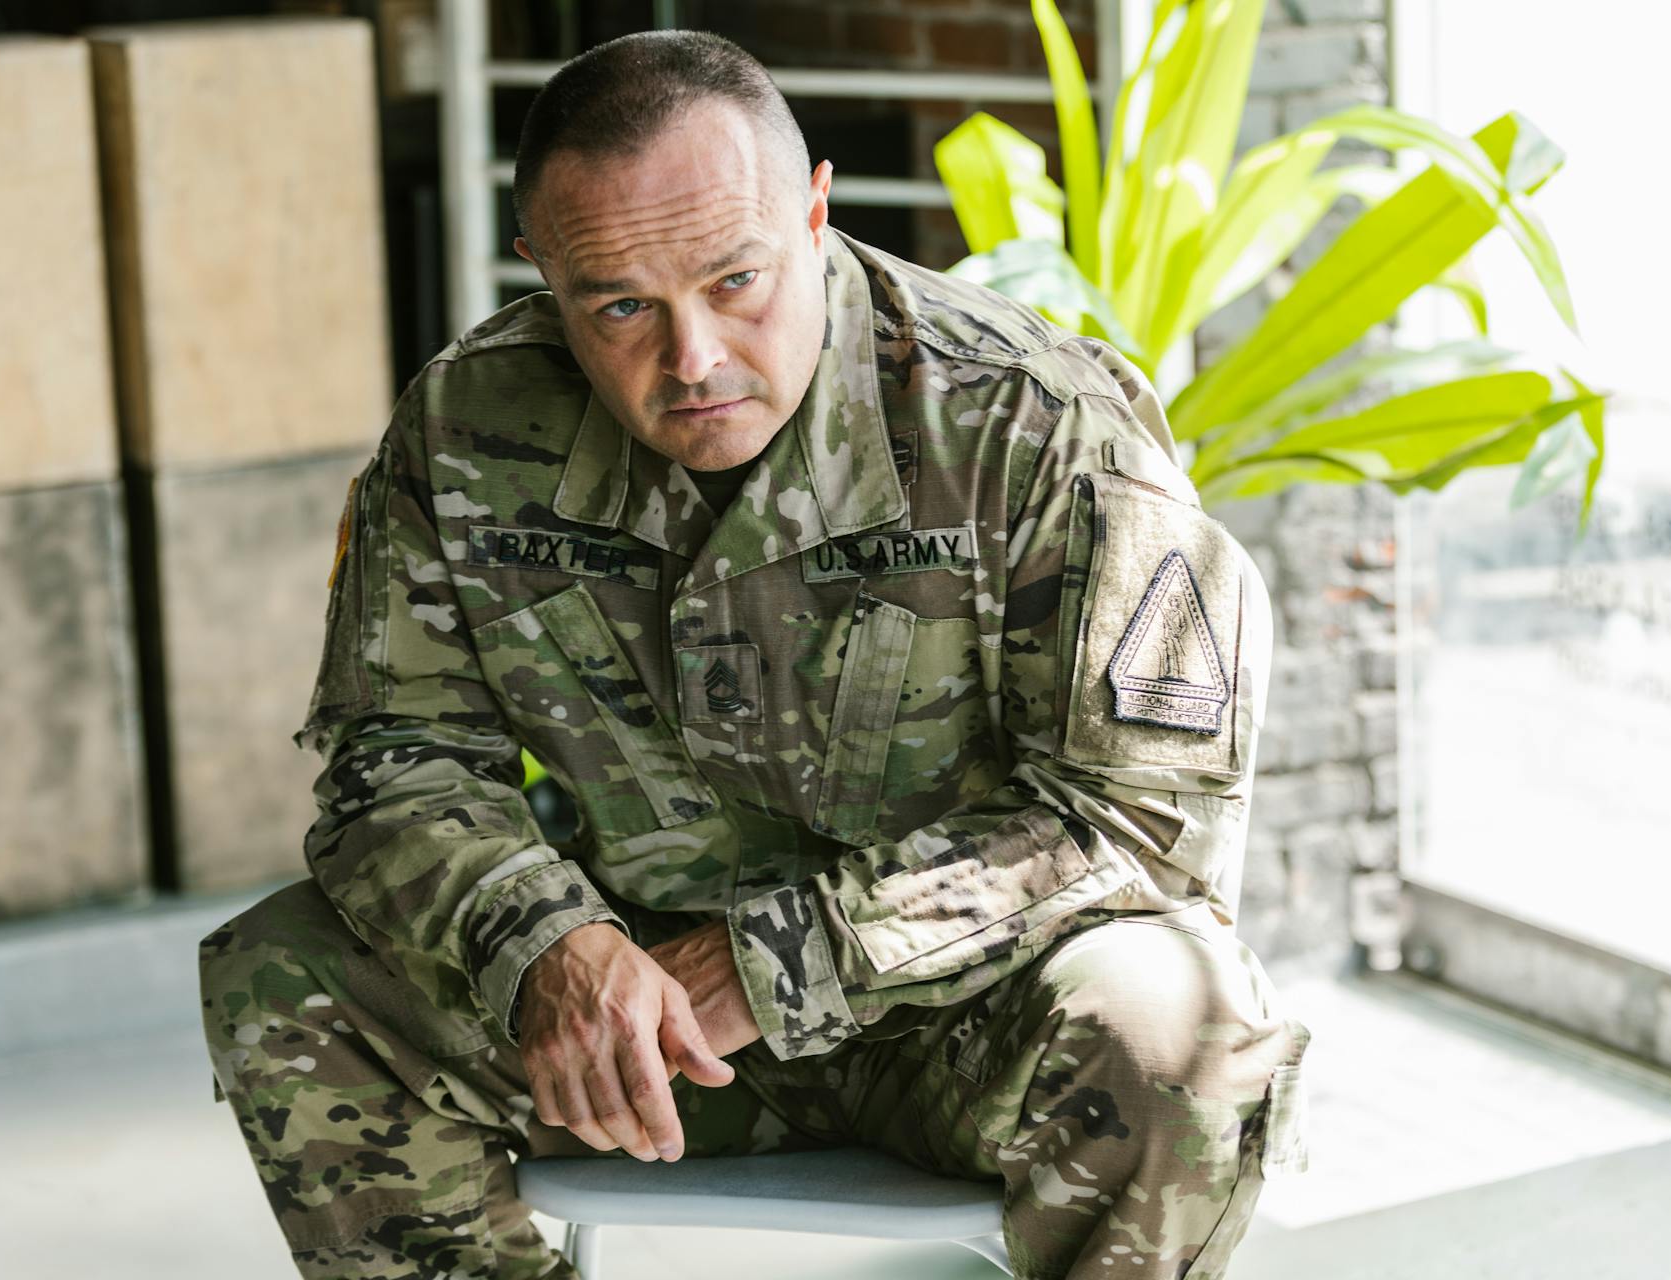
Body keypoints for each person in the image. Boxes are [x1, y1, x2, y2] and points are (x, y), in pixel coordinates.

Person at [200, 28, 1311, 1280]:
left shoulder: (1031, 423)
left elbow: (1141, 814)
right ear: (543, 268)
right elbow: (392, 761)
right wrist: (548, 944)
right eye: (619, 304)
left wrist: (774, 962)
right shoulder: (469, 428)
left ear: (817, 212)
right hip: (635, 1026)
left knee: (1180, 1030)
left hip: (971, 1016)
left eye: (737, 280)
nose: (693, 359)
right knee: (283, 971)